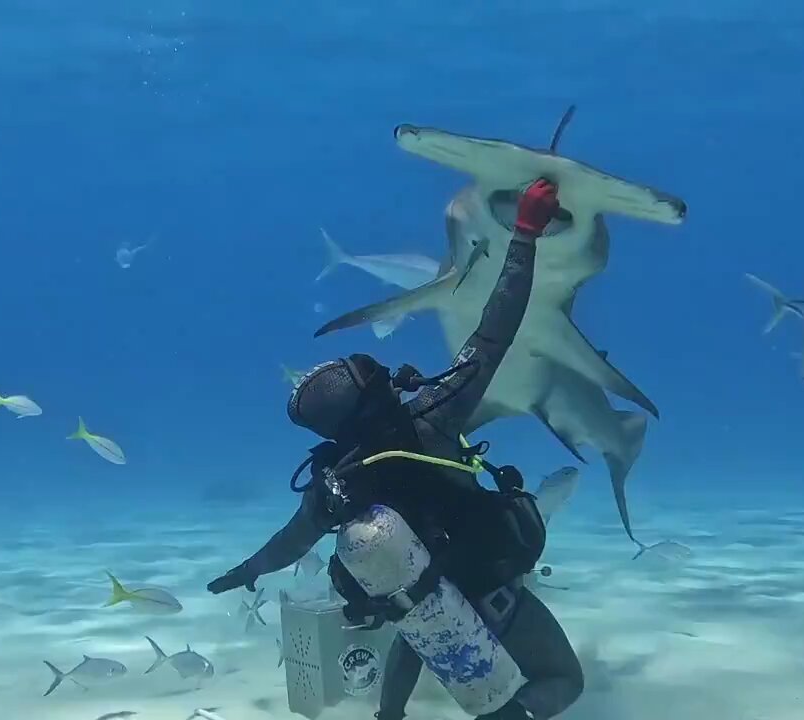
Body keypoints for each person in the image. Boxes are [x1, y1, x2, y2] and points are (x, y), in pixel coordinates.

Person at [207, 178, 584, 720]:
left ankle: (389, 717)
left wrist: (248, 571)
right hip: (487, 586)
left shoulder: (334, 482)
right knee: (561, 677)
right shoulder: (432, 416)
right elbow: (495, 331)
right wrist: (524, 234)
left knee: (419, 617)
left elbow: (289, 544)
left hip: (419, 594)